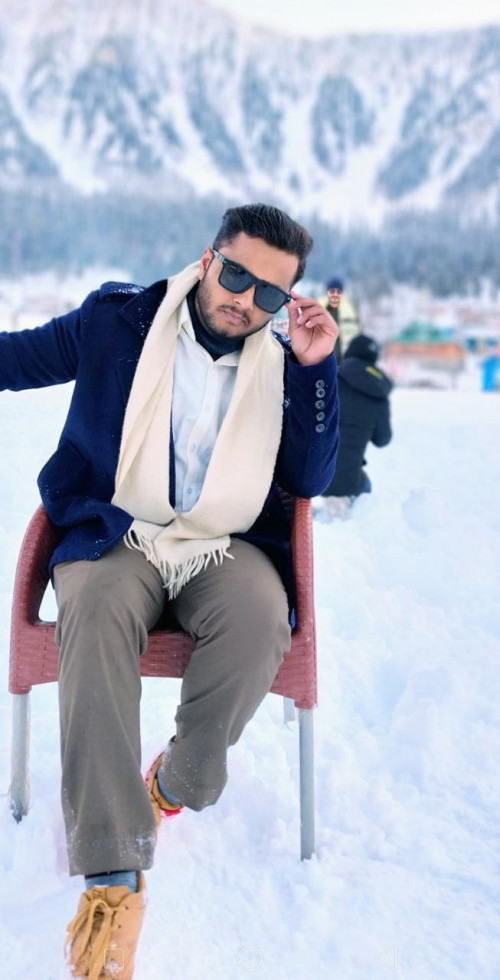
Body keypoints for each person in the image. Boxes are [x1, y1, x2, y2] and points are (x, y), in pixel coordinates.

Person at [0, 203, 339, 978]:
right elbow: (15, 360)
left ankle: (178, 780)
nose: (245, 299)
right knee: (94, 609)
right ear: (209, 258)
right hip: (117, 531)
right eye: (236, 274)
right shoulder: (118, 321)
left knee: (260, 619)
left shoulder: (286, 357)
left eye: (270, 292)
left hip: (227, 543)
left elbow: (310, 477)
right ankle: (113, 879)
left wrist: (315, 368)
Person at [318, 334, 392, 520]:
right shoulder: (378, 392)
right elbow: (382, 440)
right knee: (366, 489)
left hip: (308, 473)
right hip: (347, 481)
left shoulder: (329, 377)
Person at [321, 276, 361, 362]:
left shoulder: (349, 308)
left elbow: (357, 332)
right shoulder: (320, 306)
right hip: (323, 356)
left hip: (344, 357)